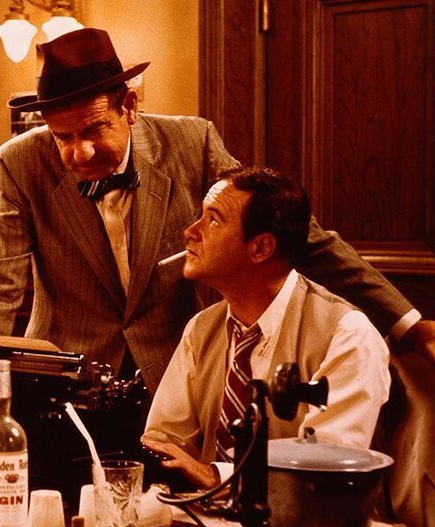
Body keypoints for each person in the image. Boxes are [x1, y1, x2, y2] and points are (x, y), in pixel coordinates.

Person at [0, 27, 433, 403]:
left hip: (176, 376)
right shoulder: (19, 164)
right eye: (63, 138)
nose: (80, 152)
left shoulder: (191, 143)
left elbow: (291, 233)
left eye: (94, 129)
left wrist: (407, 323)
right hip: (67, 387)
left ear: (129, 107)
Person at [141, 167, 390, 488]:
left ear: (260, 248)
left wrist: (216, 475)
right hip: (204, 514)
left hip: (312, 519)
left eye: (213, 220)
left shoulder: (347, 334)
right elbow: (164, 440)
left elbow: (326, 471)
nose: (191, 231)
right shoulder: (201, 328)